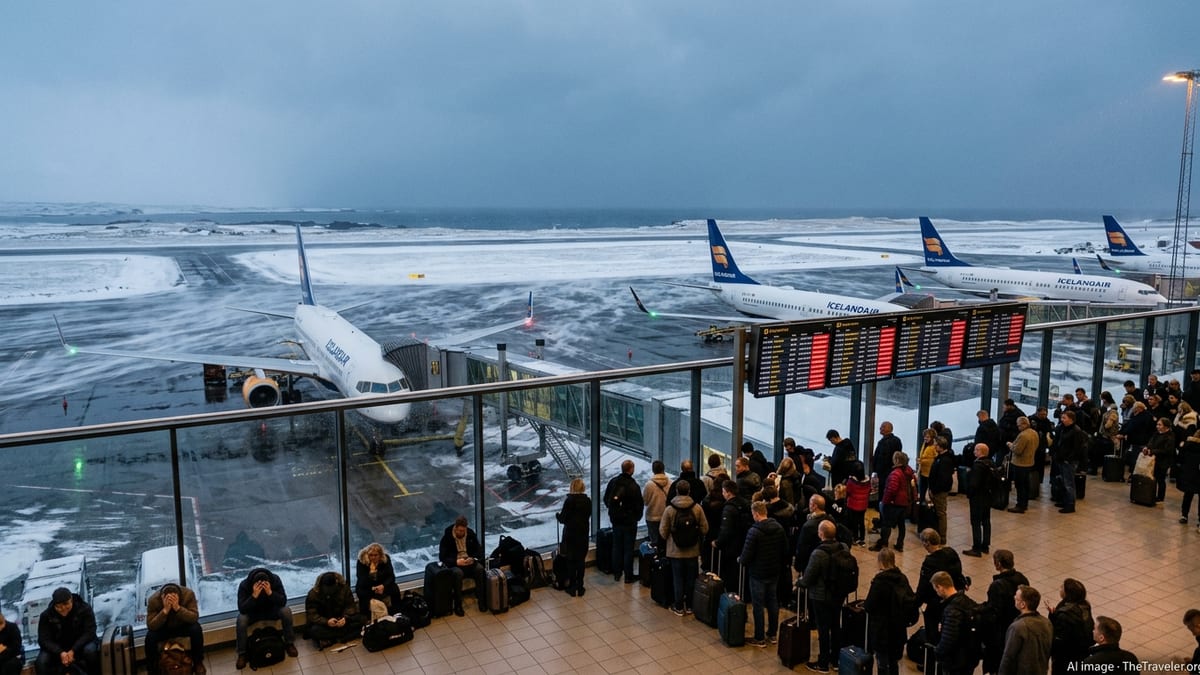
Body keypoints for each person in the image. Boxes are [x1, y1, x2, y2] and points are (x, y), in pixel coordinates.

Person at [797, 519, 848, 673]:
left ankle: (823, 662)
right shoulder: (843, 547)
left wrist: (799, 582)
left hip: (821, 596)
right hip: (838, 594)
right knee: (835, 625)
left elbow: (808, 578)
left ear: (821, 534)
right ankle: (836, 659)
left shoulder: (818, 553)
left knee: (823, 629)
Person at [740, 499, 786, 647]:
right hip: (774, 571)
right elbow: (785, 549)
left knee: (758, 605)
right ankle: (772, 634)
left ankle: (759, 637)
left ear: (756, 513)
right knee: (772, 601)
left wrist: (741, 560)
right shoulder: (778, 528)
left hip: (757, 573)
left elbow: (746, 556)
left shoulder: (754, 532)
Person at [659, 480, 708, 617]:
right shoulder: (697, 508)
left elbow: (663, 531)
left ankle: (679, 606)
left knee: (677, 578)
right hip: (693, 550)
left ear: (676, 491)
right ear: (689, 491)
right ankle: (691, 606)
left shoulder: (670, 509)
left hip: (675, 552)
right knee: (691, 578)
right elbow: (705, 528)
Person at [864, 548, 915, 675]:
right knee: (893, 663)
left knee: (882, 663)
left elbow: (869, 606)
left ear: (880, 562)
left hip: (882, 631)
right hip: (898, 629)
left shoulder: (879, 582)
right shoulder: (902, 578)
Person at [235, 568, 297, 670]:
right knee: (241, 620)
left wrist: (270, 593)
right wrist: (254, 596)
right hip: (253, 613)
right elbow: (242, 608)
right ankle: (242, 653)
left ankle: (289, 643)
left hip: (271, 610)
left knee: (286, 611)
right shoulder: (244, 585)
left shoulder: (275, 580)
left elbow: (283, 601)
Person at [982, 550, 1030, 674]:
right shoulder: (1022, 578)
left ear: (998, 564)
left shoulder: (997, 585)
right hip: (1019, 623)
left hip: (1001, 631)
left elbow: (994, 612)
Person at [916, 529, 967, 644]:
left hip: (937, 600)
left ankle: (932, 648)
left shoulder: (930, 562)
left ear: (927, 543)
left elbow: (924, 586)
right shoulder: (951, 553)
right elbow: (958, 573)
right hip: (953, 595)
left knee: (932, 623)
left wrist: (916, 602)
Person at [145, 582, 205, 675]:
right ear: (162, 597)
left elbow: (194, 617)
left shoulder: (188, 594)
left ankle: (198, 662)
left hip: (182, 625)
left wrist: (178, 608)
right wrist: (164, 611)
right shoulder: (153, 600)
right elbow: (151, 625)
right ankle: (152, 669)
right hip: (163, 627)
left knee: (196, 629)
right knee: (150, 637)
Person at [36, 587, 98, 675]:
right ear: (54, 605)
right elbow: (43, 639)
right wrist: (60, 652)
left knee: (90, 651)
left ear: (71, 600)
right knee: (41, 661)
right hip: (58, 648)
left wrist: (73, 650)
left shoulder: (84, 609)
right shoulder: (46, 616)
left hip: (81, 643)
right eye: (59, 607)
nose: (63, 609)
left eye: (66, 604)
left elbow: (90, 632)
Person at [930, 571, 980, 675]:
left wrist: (937, 653)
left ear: (940, 587)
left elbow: (948, 639)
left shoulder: (952, 610)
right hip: (970, 656)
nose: (936, 593)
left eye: (936, 589)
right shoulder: (967, 601)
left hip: (956, 661)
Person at [602, 458, 643, 583]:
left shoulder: (613, 482)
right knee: (628, 549)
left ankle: (617, 573)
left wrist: (613, 511)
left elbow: (606, 499)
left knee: (617, 547)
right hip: (630, 523)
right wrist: (636, 518)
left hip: (616, 521)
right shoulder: (634, 486)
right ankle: (628, 575)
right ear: (631, 470)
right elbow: (639, 505)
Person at [997, 584, 1053, 675]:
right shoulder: (1047, 623)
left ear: (1023, 604)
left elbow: (1008, 657)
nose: (1014, 597)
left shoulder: (1017, 627)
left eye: (1016, 598)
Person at [438, 515, 487, 615]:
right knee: (458, 574)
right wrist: (456, 562)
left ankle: (482, 601)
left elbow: (479, 550)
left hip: (468, 561)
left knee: (480, 569)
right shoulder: (447, 537)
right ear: (455, 528)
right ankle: (458, 605)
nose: (461, 533)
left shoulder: (470, 534)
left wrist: (473, 558)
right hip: (455, 563)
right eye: (459, 531)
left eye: (463, 531)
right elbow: (442, 557)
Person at [1046, 578, 1095, 675]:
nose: (1059, 589)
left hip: (1066, 657)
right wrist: (1054, 613)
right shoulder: (1084, 606)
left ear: (1067, 593)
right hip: (1083, 653)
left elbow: (1059, 640)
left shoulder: (1064, 615)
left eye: (1062, 587)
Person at [870, 450, 915, 552]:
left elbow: (891, 490)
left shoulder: (895, 473)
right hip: (905, 502)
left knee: (886, 524)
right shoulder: (909, 471)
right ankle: (900, 544)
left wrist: (884, 502)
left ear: (897, 460)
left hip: (894, 503)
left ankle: (883, 544)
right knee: (901, 524)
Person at [304, 571, 362, 649]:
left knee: (361, 619)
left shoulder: (344, 588)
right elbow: (312, 615)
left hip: (341, 619)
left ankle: (331, 640)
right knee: (315, 630)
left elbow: (350, 606)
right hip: (325, 622)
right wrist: (326, 621)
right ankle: (342, 637)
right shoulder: (313, 594)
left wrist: (345, 617)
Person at [714, 479, 750, 594]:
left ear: (728, 492)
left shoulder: (728, 508)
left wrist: (718, 542)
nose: (722, 494)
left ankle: (731, 594)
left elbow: (726, 530)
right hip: (744, 543)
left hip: (731, 547)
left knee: (730, 572)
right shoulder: (745, 503)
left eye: (723, 492)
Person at [557, 477, 591, 596]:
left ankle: (572, 586)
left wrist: (558, 516)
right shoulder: (588, 501)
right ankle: (580, 586)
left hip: (570, 535)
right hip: (583, 534)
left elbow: (563, 518)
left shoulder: (569, 501)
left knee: (571, 561)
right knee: (581, 560)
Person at [963, 442, 997, 557]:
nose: (974, 452)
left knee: (976, 522)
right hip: (988, 496)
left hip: (978, 497)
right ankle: (985, 546)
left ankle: (976, 547)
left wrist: (969, 493)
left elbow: (974, 484)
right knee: (986, 521)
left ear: (980, 452)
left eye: (976, 450)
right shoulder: (991, 463)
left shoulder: (978, 466)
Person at [1053, 411, 1088, 514]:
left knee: (1069, 483)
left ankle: (1070, 504)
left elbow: (1077, 448)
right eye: (1062, 418)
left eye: (1064, 418)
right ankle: (1064, 501)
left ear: (1071, 419)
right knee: (1063, 481)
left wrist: (1068, 459)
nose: (1062, 420)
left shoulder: (1076, 431)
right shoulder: (1063, 428)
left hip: (1068, 461)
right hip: (1061, 458)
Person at [355, 543, 403, 617]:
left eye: (375, 555)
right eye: (371, 555)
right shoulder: (362, 561)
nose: (373, 557)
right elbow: (361, 579)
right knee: (363, 594)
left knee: (394, 588)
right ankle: (365, 616)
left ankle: (397, 611)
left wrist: (383, 586)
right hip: (367, 586)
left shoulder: (385, 559)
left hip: (381, 584)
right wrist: (372, 573)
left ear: (380, 555)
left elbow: (391, 576)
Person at [928, 435, 956, 542]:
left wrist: (934, 490)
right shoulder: (941, 458)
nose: (934, 446)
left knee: (940, 513)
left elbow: (943, 479)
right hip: (937, 489)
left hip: (939, 491)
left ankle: (942, 537)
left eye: (935, 444)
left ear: (940, 446)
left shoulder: (945, 460)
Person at [1007, 417, 1037, 513]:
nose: (1018, 427)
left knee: (1020, 485)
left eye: (1019, 425)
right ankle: (1025, 503)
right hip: (1029, 462)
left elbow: (1017, 450)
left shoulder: (1023, 435)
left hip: (1020, 463)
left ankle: (1020, 505)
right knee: (1026, 484)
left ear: (1024, 424)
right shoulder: (1034, 433)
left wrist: (1010, 445)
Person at [871, 422, 902, 509]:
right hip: (884, 471)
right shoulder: (886, 441)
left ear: (888, 428)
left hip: (887, 471)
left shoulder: (890, 441)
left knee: (885, 489)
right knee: (883, 489)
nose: (880, 429)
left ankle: (883, 507)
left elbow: (886, 458)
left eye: (882, 427)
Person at [642, 460, 670, 549]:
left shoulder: (649, 485)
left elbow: (645, 502)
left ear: (653, 470)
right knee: (666, 541)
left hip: (652, 517)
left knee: (655, 542)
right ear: (663, 469)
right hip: (666, 516)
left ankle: (656, 559)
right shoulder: (671, 483)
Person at [1147, 416, 1176, 502]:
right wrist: (1147, 448)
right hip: (1154, 459)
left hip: (1163, 461)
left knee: (1160, 479)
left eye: (1159, 425)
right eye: (1157, 424)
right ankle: (1151, 494)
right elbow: (1151, 442)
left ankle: (1160, 497)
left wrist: (1152, 451)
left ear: (1166, 426)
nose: (1157, 426)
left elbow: (1166, 450)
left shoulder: (1170, 436)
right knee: (1153, 478)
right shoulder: (1157, 433)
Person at [1179, 432, 1200, 527]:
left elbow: (1180, 458)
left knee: (1188, 495)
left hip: (1189, 473)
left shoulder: (1187, 445)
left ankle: (1184, 515)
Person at [917, 428, 938, 501]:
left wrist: (922, 461)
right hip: (923, 472)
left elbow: (934, 459)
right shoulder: (924, 444)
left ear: (932, 438)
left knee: (931, 491)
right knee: (922, 489)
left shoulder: (934, 447)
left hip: (930, 472)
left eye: (928, 437)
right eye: (925, 436)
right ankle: (922, 503)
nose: (925, 438)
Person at [0, 607, 21, 675]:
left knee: (11, 665)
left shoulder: (12, 628)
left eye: (1, 625)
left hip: (11, 657)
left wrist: (4, 650)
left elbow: (16, 648)